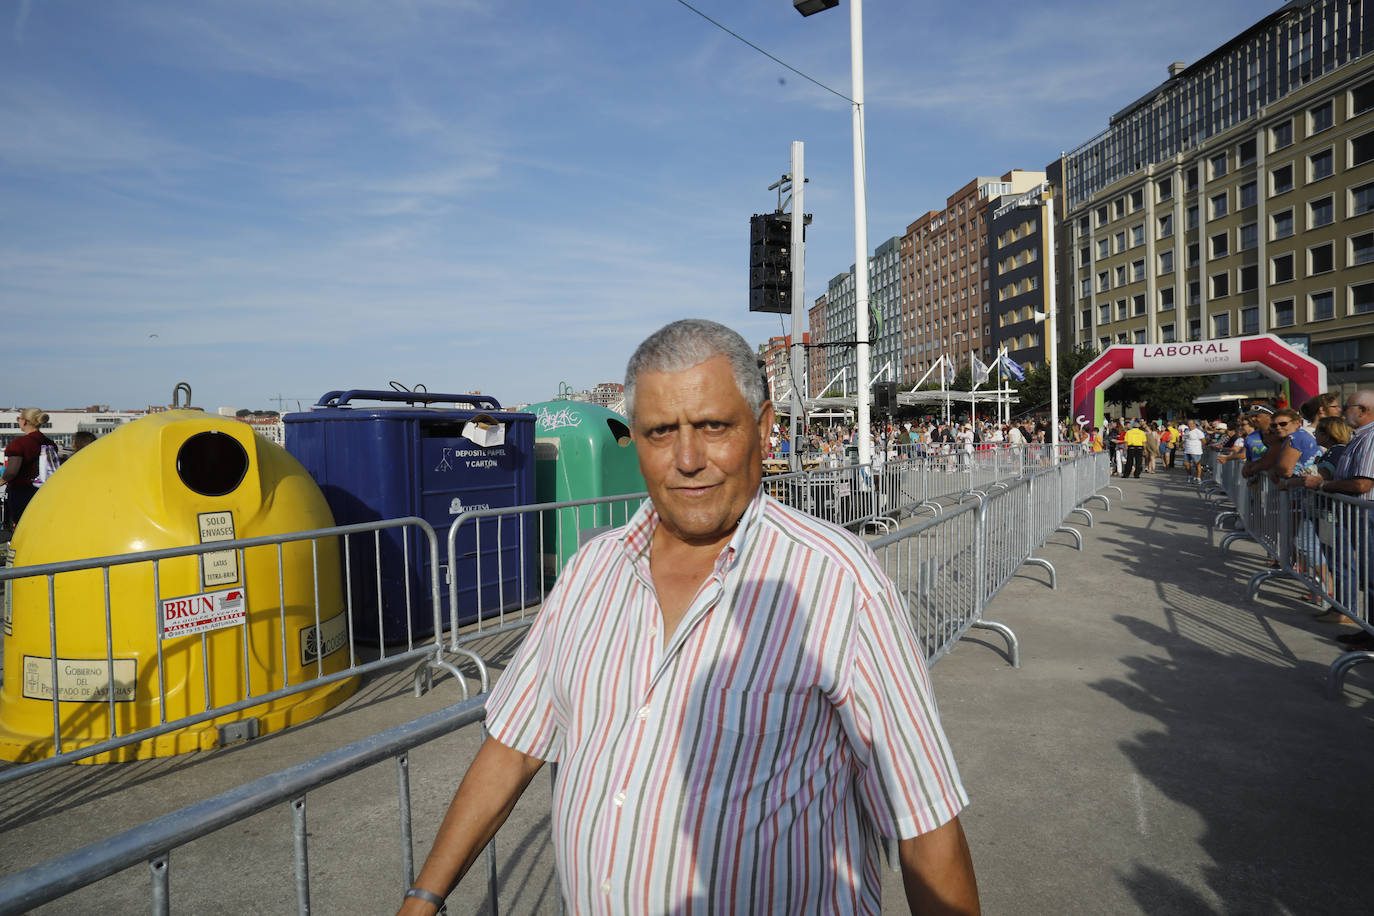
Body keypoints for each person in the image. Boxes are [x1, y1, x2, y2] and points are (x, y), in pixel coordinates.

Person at [399, 320, 978, 916]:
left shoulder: (837, 583)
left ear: (764, 426)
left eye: (712, 426)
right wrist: (424, 897)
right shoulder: (589, 573)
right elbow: (513, 747)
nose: (687, 459)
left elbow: (923, 819)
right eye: (659, 432)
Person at [2, 408, 57, 534]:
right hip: (44, 491)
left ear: (25, 421)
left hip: (21, 492)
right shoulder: (50, 443)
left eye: (18, 419)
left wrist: (2, 480)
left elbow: (12, 472)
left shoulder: (19, 443)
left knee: (22, 528)